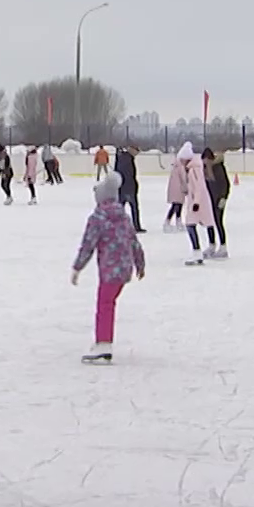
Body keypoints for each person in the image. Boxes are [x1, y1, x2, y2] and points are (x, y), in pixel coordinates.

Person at [71, 171, 146, 364]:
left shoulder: (97, 218)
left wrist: (77, 268)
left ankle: (104, 344)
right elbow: (134, 241)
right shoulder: (124, 216)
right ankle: (103, 342)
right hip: (125, 268)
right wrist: (140, 263)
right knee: (108, 303)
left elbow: (87, 245)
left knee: (104, 305)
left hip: (109, 270)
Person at [179, 148, 219, 264]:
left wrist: (196, 202)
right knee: (202, 224)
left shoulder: (194, 170)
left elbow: (199, 187)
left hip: (198, 203)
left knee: (190, 225)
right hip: (197, 202)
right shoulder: (192, 168)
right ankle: (200, 251)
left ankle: (197, 253)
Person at [202, 148, 230, 258]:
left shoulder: (218, 168)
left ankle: (223, 247)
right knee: (209, 222)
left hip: (219, 199)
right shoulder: (204, 169)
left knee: (218, 222)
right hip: (209, 200)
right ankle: (211, 245)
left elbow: (226, 184)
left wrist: (223, 198)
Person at [113, 145, 145, 232]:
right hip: (128, 188)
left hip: (122, 188)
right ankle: (136, 226)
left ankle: (118, 227)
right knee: (133, 208)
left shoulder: (122, 158)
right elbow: (129, 175)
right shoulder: (127, 160)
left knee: (121, 209)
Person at [163, 142, 193, 230]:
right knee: (177, 206)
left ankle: (173, 221)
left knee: (176, 206)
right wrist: (187, 189)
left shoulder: (176, 164)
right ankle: (174, 222)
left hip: (175, 189)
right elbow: (183, 179)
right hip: (179, 190)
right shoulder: (180, 167)